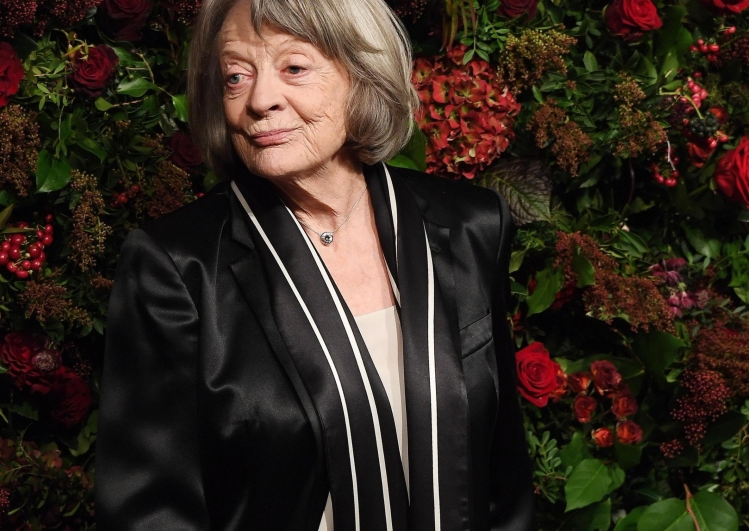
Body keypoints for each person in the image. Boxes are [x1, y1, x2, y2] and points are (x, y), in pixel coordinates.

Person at [95, 0, 535, 529]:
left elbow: (504, 477)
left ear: (363, 75)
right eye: (236, 76)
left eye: (294, 68)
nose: (259, 100)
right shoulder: (178, 267)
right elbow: (150, 512)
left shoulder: (470, 226)